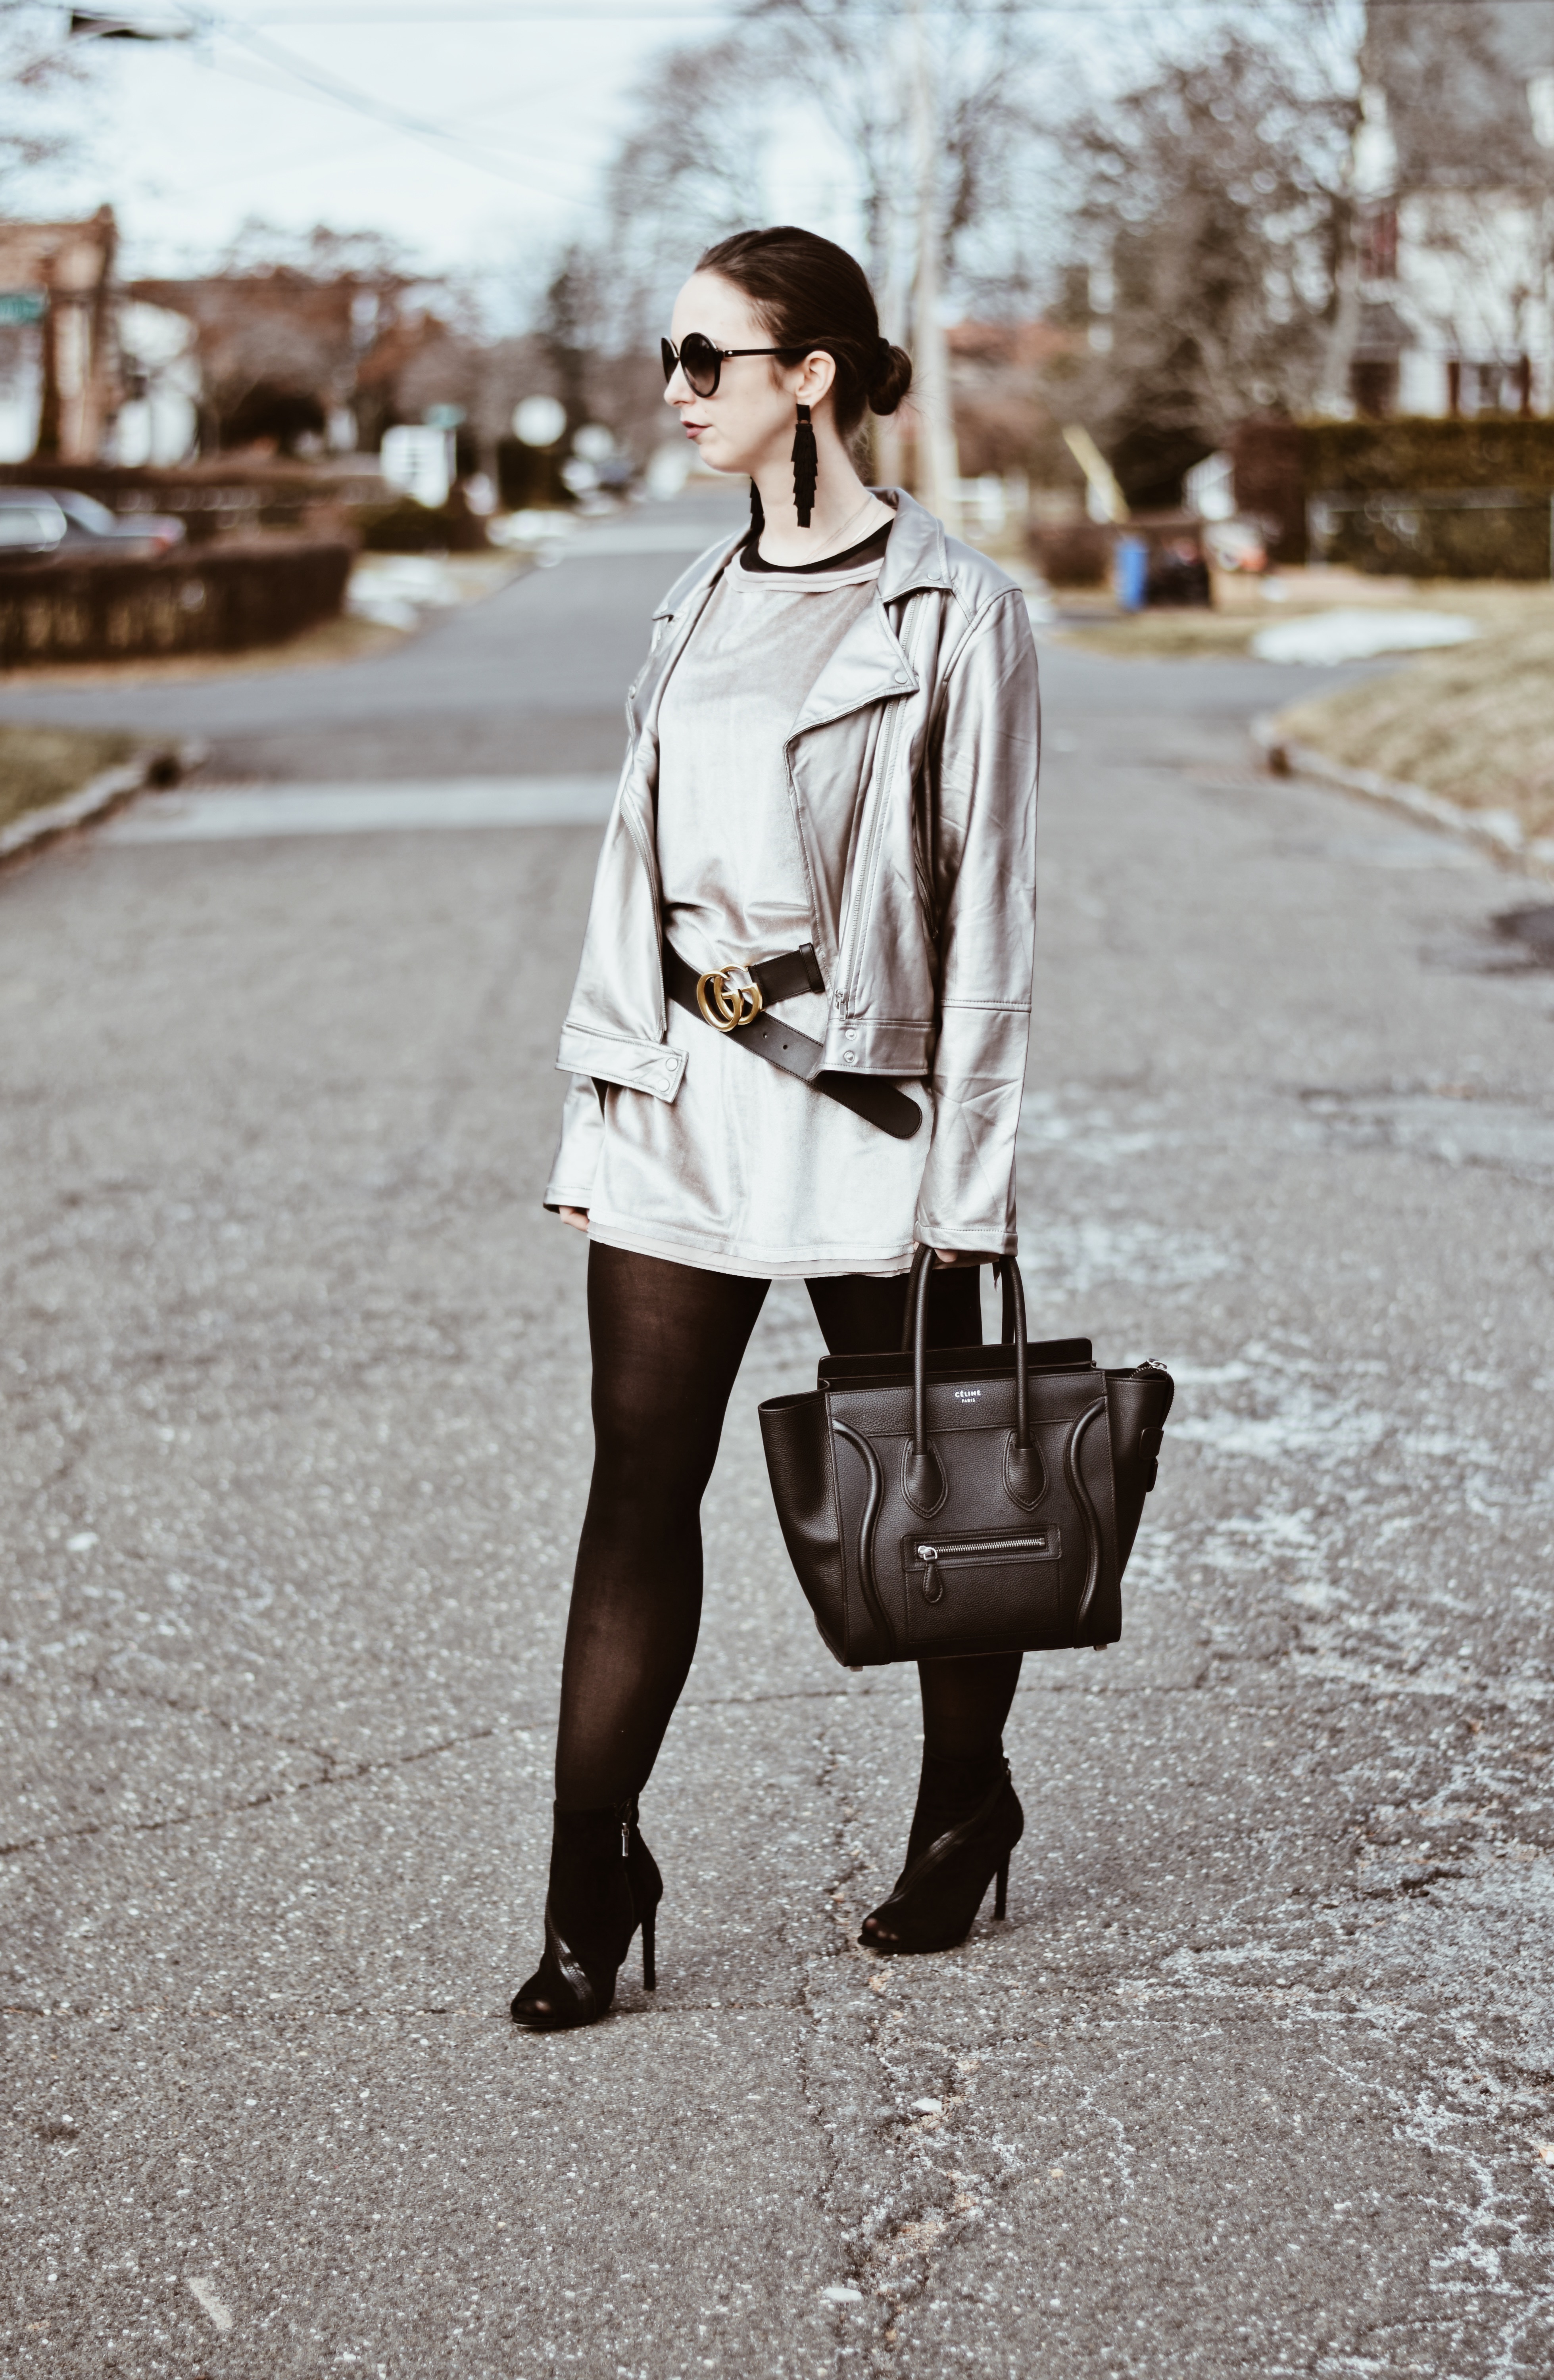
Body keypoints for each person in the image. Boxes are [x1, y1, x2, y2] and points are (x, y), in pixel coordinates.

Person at [513, 225, 1040, 2031]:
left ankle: (964, 1805)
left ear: (810, 374)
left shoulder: (957, 610)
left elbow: (992, 918)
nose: (675, 389)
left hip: (871, 1115)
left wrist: (967, 1178)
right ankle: (593, 1876)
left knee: (941, 1487)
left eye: (705, 358)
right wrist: (600, 1113)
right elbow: (632, 884)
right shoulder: (694, 603)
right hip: (684, 1104)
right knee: (635, 1491)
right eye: (669, 355)